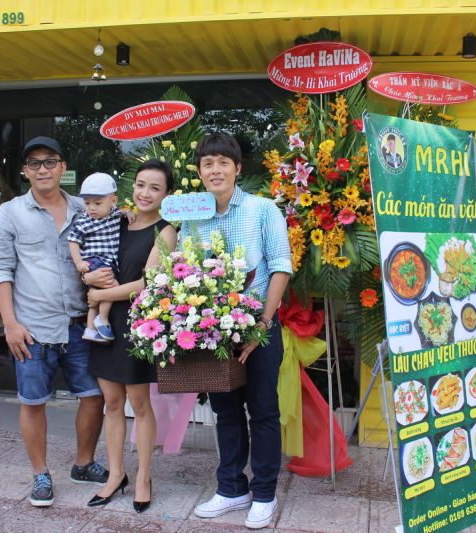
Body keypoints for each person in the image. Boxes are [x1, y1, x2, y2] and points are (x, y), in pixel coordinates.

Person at [0, 136, 108, 508]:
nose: (43, 169)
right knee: (33, 401)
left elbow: (113, 233)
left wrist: (130, 217)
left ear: (62, 167)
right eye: (35, 163)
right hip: (33, 327)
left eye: (50, 161)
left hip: (81, 323)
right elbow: (0, 270)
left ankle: (83, 464)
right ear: (25, 171)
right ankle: (40, 473)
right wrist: (10, 324)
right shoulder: (10, 213)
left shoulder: (85, 207)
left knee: (94, 397)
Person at [189, 134, 292, 530]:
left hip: (259, 328)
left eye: (222, 162)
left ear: (237, 168)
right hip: (215, 333)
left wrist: (261, 325)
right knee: (225, 411)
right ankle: (232, 488)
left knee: (263, 411)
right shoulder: (194, 217)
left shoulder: (263, 210)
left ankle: (264, 493)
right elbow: (188, 268)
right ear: (199, 172)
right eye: (207, 164)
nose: (215, 170)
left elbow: (280, 267)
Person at [83, 159, 177, 513]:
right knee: (111, 403)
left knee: (138, 404)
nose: (145, 193)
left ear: (166, 194)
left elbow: (147, 283)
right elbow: (92, 257)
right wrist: (88, 280)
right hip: (104, 323)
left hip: (137, 324)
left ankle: (143, 478)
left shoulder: (166, 231)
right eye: (140, 185)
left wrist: (100, 295)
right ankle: (115, 474)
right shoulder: (116, 222)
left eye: (155, 187)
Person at [67, 172, 122, 343]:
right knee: (112, 286)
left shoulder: (115, 214)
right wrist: (78, 262)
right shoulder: (84, 221)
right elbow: (73, 241)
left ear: (113, 201)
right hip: (95, 261)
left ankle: (90, 329)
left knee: (97, 294)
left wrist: (129, 214)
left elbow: (123, 212)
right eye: (87, 203)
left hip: (108, 261)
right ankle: (102, 319)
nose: (91, 208)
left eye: (97, 203)